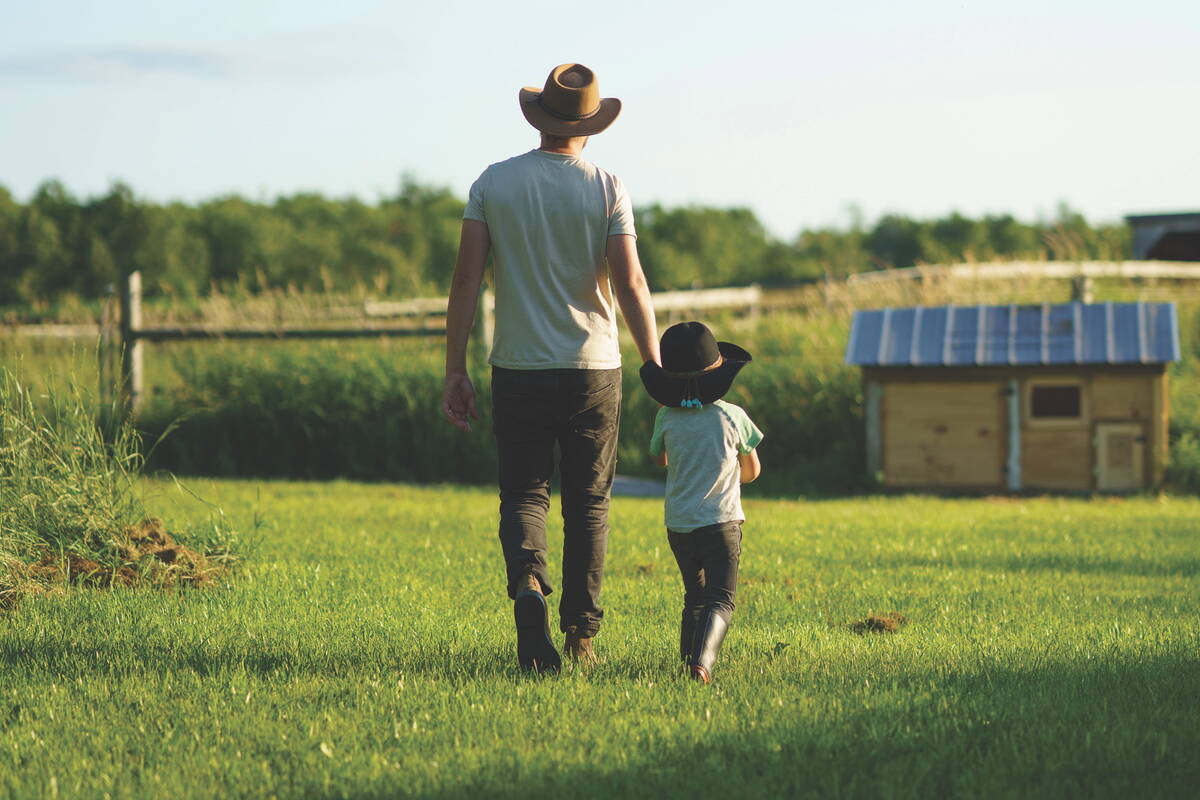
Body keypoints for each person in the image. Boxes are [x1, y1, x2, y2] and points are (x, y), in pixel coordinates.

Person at [441, 64, 659, 673]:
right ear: (589, 124)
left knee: (524, 492)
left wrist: (454, 368)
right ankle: (581, 637)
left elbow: (465, 281)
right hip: (594, 365)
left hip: (517, 365)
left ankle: (529, 588)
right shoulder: (606, 186)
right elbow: (631, 281)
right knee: (589, 503)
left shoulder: (493, 183)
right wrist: (655, 363)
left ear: (540, 118)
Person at [640, 322, 762, 683]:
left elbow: (659, 459)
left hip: (679, 525)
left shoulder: (666, 416)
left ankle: (686, 663)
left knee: (694, 596)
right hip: (722, 523)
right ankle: (702, 664)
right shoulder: (732, 416)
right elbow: (752, 471)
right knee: (721, 599)